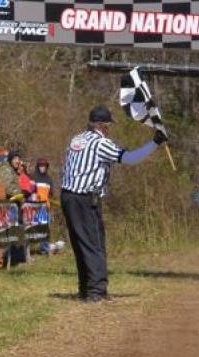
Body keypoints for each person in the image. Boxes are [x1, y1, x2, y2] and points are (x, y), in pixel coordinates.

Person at [60, 105, 167, 302]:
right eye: (108, 125)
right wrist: (155, 142)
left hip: (68, 196)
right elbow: (130, 158)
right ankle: (96, 292)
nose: (109, 129)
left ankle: (85, 288)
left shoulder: (77, 139)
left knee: (80, 243)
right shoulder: (101, 143)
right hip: (85, 198)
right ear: (101, 125)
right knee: (94, 244)